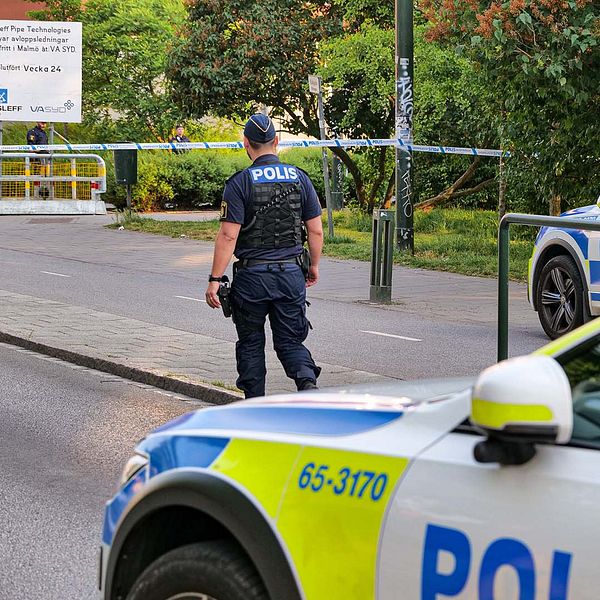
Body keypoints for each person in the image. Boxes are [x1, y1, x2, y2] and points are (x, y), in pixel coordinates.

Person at [205, 114, 323, 398]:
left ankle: (254, 403)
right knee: (290, 341)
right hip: (290, 274)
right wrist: (314, 266)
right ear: (277, 142)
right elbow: (315, 231)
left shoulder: (239, 183)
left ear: (246, 143)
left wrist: (215, 279)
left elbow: (228, 236)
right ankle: (307, 385)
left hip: (252, 279)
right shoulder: (300, 178)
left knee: (250, 343)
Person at [26, 122, 50, 198]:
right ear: (37, 122)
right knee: (37, 176)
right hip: (37, 158)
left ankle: (45, 193)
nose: (44, 125)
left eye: (45, 123)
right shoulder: (32, 132)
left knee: (47, 176)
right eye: (42, 123)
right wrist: (38, 154)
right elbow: (31, 147)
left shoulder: (43, 133)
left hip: (45, 157)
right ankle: (36, 194)